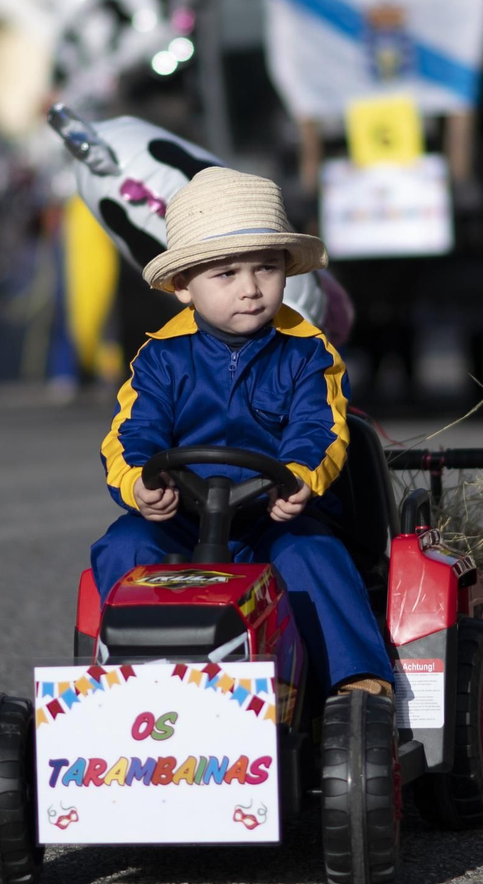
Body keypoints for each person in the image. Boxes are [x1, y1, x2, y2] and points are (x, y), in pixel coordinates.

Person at [89, 167, 393, 697]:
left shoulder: (307, 352)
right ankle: (124, 686)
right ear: (184, 286)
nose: (251, 289)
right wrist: (140, 482)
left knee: (310, 554)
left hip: (272, 520)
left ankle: (358, 683)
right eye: (226, 275)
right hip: (185, 521)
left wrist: (299, 477)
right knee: (124, 544)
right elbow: (132, 433)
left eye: (266, 269)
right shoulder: (160, 357)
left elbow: (318, 427)